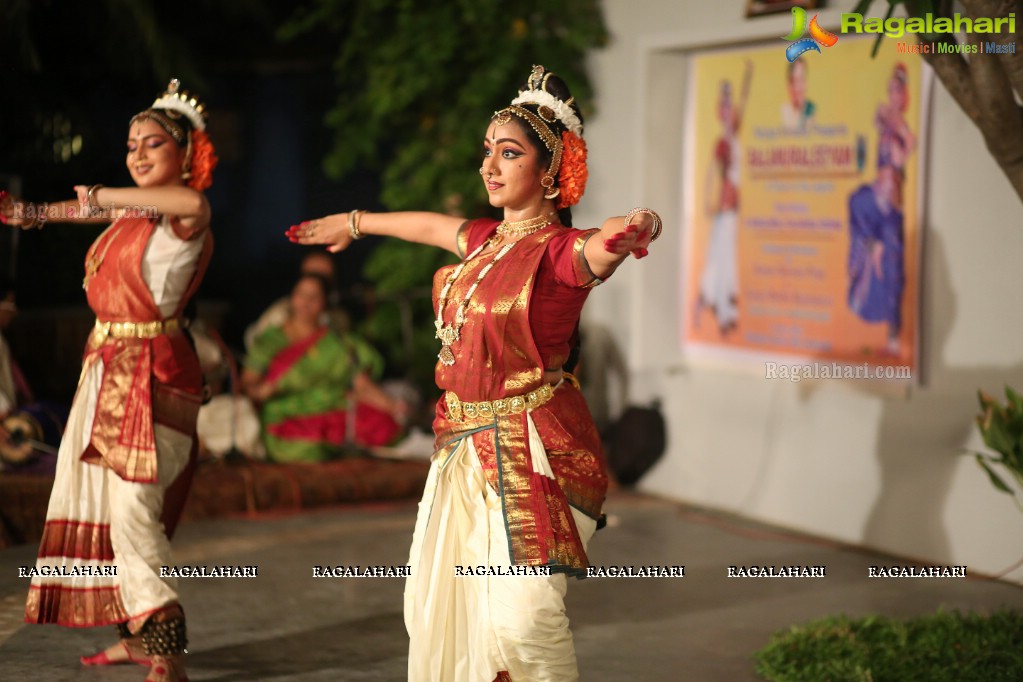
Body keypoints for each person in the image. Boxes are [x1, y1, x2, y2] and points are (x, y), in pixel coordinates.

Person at [289, 64, 661, 682]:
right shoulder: (486, 241)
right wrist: (355, 224)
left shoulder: (564, 254)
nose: (488, 166)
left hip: (531, 449)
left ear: (549, 172)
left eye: (508, 153)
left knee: (525, 618)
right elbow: (429, 226)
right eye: (487, 151)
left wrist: (638, 225)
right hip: (461, 448)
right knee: (444, 610)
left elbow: (607, 243)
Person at [1, 79, 217, 682]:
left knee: (132, 508)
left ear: (184, 155)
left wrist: (102, 192)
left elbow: (175, 204)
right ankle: (136, 636)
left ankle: (165, 641)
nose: (139, 153)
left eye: (153, 144)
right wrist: (34, 214)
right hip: (106, 373)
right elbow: (93, 208)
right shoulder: (137, 214)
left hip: (155, 374)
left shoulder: (187, 214)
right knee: (100, 506)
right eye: (130, 145)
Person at [241, 272, 404, 462]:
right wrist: (262, 392)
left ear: (325, 303)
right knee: (307, 446)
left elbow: (362, 385)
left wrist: (393, 406)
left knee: (386, 425)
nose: (306, 302)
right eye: (301, 294)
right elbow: (247, 385)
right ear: (292, 297)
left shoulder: (335, 341)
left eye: (314, 297)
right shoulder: (270, 340)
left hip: (331, 408)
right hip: (285, 414)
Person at [848, 63, 915, 356]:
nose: (891, 94)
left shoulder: (900, 126)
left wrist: (899, 138)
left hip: (891, 207)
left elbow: (907, 148)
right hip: (877, 199)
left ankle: (893, 335)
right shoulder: (885, 122)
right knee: (855, 201)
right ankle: (864, 251)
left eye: (896, 89)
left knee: (892, 269)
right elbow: (877, 125)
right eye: (889, 89)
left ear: (904, 95)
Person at [693, 60, 752, 336]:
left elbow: (743, 101)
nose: (730, 113)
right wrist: (708, 199)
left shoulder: (734, 138)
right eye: (726, 108)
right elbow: (711, 174)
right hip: (724, 205)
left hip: (732, 205)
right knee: (721, 254)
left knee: (724, 253)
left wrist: (747, 78)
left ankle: (717, 300)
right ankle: (718, 305)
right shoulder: (723, 143)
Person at [243, 251, 350, 352]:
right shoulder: (280, 313)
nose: (307, 301)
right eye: (311, 275)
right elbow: (256, 344)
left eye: (325, 279)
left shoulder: (338, 319)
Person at [780, 57, 814, 133]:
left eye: (801, 80)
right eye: (793, 81)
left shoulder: (811, 110)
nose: (797, 88)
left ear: (806, 83)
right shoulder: (784, 111)